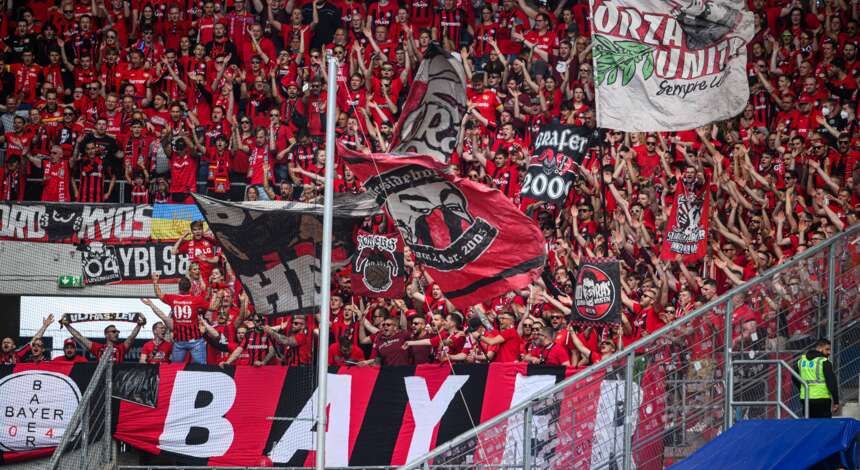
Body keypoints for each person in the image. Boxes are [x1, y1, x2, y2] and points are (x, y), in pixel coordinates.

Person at [152, 273, 218, 364]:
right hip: (195, 341)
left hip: (179, 342)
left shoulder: (172, 299)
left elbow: (159, 294)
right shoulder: (196, 299)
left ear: (179, 288)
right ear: (190, 288)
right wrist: (215, 292)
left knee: (175, 368)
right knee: (201, 368)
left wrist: (155, 281)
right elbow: (213, 307)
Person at [60, 315, 146, 363]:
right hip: (102, 380)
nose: (117, 333)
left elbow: (132, 337)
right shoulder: (98, 348)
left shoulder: (121, 348)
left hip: (116, 380)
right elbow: (79, 337)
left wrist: (139, 324)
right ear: (106, 334)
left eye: (117, 332)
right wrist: (67, 325)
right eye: (114, 331)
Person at [795, 339, 840, 418]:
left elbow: (795, 378)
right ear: (819, 348)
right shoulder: (824, 362)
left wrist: (802, 389)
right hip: (822, 399)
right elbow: (832, 383)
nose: (829, 352)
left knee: (809, 423)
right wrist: (836, 401)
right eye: (827, 349)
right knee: (824, 424)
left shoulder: (801, 361)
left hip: (805, 398)